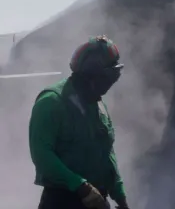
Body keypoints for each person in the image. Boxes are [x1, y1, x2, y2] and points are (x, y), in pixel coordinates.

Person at [29, 35, 129, 209]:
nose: (110, 85)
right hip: (62, 201)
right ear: (92, 75)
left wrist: (120, 196)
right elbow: (41, 154)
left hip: (96, 200)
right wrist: (80, 186)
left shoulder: (97, 104)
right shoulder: (52, 102)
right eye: (107, 78)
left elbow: (106, 151)